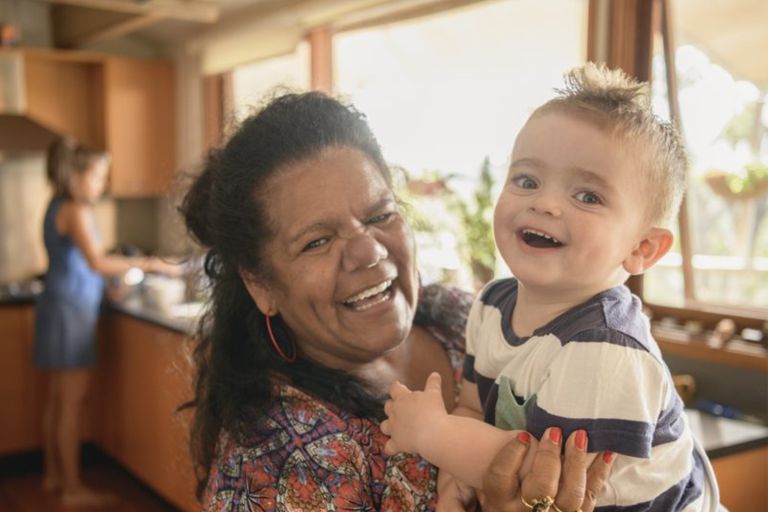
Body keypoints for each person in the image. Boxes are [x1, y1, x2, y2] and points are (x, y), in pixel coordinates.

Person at [180, 91, 616, 511]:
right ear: (262, 285)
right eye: (317, 242)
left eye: (379, 215)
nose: (369, 250)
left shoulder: (464, 316)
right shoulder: (282, 461)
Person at [381, 63, 721, 511]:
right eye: (526, 181)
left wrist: (433, 435)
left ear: (641, 248)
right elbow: (472, 407)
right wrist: (454, 483)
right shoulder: (492, 304)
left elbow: (547, 478)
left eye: (588, 196)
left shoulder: (604, 345)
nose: (543, 203)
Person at [34, 136, 179, 506]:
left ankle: (54, 476)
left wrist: (107, 286)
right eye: (98, 177)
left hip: (58, 305)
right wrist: (151, 263)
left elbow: (82, 265)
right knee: (70, 402)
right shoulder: (77, 210)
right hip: (71, 312)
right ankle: (72, 489)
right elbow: (97, 261)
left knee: (57, 399)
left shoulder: (56, 205)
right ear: (77, 175)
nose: (101, 185)